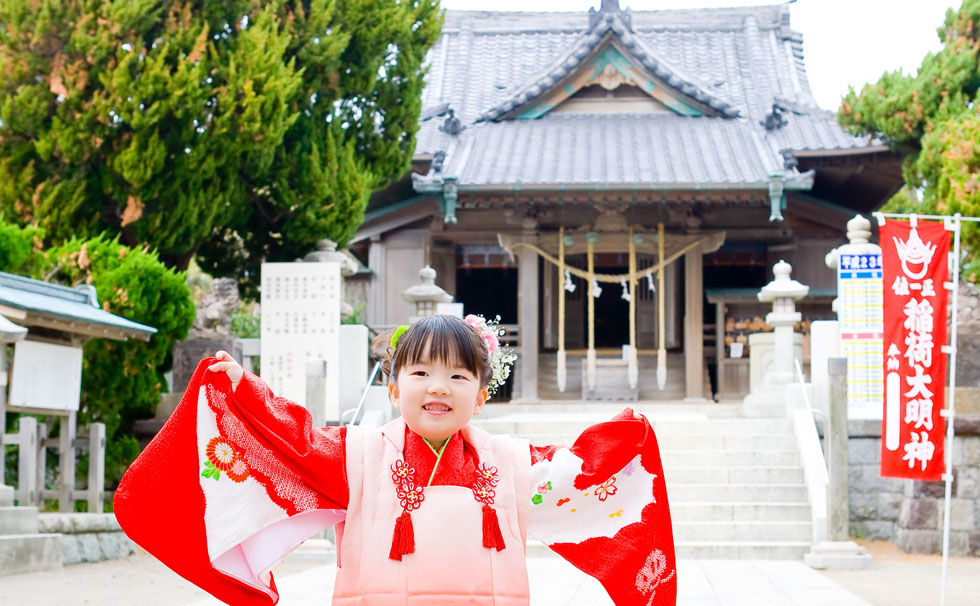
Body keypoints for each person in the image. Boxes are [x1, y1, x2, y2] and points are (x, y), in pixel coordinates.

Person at [114, 314, 676, 605]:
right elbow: (296, 442)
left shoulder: (511, 464)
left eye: (459, 375)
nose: (439, 387)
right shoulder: (357, 456)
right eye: (421, 372)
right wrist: (243, 392)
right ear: (392, 386)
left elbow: (579, 475)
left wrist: (622, 441)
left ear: (481, 395)